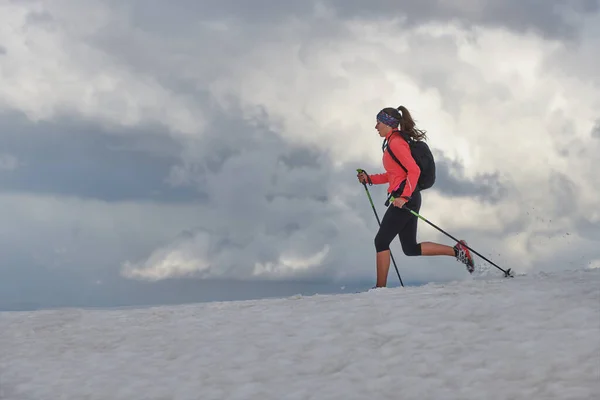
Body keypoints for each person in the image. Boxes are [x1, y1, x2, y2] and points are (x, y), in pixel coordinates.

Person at [357, 105, 474, 287]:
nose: (376, 126)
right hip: (406, 198)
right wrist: (369, 179)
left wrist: (404, 197)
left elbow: (414, 170)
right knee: (410, 248)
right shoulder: (391, 143)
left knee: (381, 241)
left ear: (388, 124)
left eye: (378, 122)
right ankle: (458, 251)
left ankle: (380, 289)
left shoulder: (396, 142)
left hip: (405, 200)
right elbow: (394, 174)